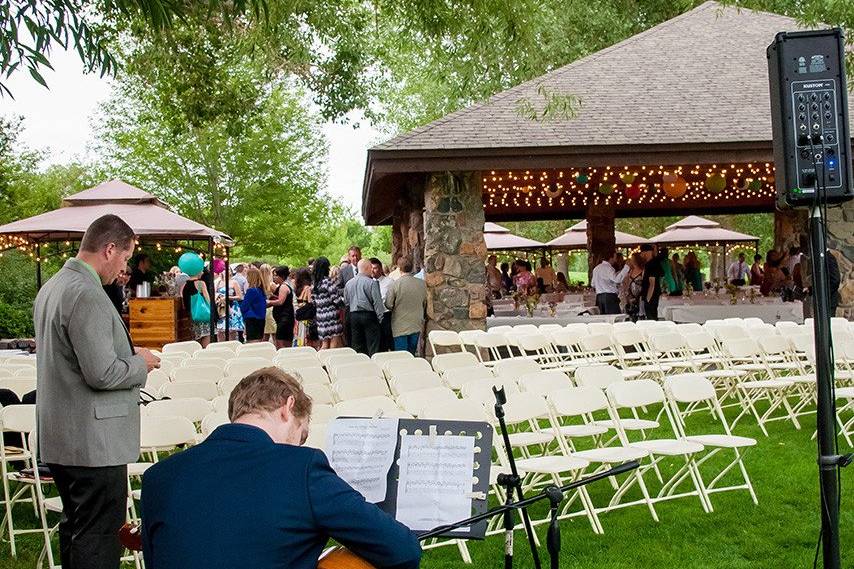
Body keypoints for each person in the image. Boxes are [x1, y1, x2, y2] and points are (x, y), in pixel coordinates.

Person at [140, 367, 421, 569]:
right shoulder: (304, 468)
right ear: (288, 407)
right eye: (301, 435)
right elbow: (402, 550)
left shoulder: (159, 477)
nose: (297, 446)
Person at [34, 214, 160, 569]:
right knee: (99, 537)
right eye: (124, 257)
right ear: (109, 249)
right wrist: (142, 363)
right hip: (92, 442)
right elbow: (101, 373)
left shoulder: (55, 286)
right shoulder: (85, 293)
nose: (124, 267)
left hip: (62, 435)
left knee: (76, 526)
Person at [384, 257, 428, 355]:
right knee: (412, 352)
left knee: (401, 354)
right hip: (416, 322)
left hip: (400, 324)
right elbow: (424, 302)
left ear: (399, 269)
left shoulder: (395, 284)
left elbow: (388, 304)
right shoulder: (422, 284)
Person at [344, 259, 385, 356]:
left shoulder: (349, 283)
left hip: (353, 315)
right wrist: (380, 318)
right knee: (373, 345)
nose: (372, 270)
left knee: (357, 345)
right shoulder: (372, 283)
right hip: (369, 315)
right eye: (371, 268)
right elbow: (377, 302)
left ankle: (360, 365)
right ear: (366, 268)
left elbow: (346, 302)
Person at [312, 257, 344, 349]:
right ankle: (330, 360)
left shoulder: (315, 284)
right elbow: (336, 299)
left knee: (324, 344)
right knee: (334, 341)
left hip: (320, 316)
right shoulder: (328, 282)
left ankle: (321, 361)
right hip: (331, 316)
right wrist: (343, 305)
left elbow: (313, 301)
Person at [182, 268, 212, 348]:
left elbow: (184, 302)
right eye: (201, 270)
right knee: (206, 335)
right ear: (197, 272)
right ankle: (204, 355)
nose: (202, 272)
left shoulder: (184, 285)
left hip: (192, 316)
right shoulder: (201, 283)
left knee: (196, 338)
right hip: (203, 315)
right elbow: (207, 299)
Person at [591, 251, 629, 315]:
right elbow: (617, 280)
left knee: (603, 319)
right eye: (615, 257)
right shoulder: (608, 268)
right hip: (609, 298)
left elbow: (593, 284)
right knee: (613, 318)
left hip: (599, 297)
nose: (615, 260)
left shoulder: (596, 268)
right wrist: (626, 268)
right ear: (610, 258)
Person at [214, 263, 244, 342]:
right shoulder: (218, 282)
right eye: (224, 270)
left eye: (228, 270)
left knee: (231, 331)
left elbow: (240, 297)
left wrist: (228, 297)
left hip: (232, 307)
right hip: (221, 308)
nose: (226, 271)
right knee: (220, 331)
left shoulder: (234, 282)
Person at [370, 258, 394, 352]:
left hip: (386, 314)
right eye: (371, 268)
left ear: (380, 269)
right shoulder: (369, 282)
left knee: (387, 339)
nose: (373, 270)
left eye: (375, 268)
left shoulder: (389, 282)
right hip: (373, 315)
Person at [268, 266, 295, 349]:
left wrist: (268, 302)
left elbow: (280, 301)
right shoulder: (280, 286)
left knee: (280, 342)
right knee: (285, 341)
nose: (274, 277)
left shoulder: (283, 287)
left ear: (282, 276)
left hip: (285, 318)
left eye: (276, 275)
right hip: (282, 318)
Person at [240, 267, 268, 342]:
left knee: (252, 341)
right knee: (259, 340)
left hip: (252, 319)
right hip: (261, 319)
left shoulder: (251, 291)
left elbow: (244, 307)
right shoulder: (261, 290)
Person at [292, 268, 317, 348]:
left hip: (299, 320)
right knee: (309, 342)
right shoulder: (308, 288)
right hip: (307, 320)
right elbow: (310, 302)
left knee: (300, 340)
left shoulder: (297, 289)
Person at [639, 244, 663, 320]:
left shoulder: (652, 264)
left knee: (651, 318)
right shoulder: (652, 263)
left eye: (642, 252)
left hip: (651, 296)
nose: (641, 255)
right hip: (651, 295)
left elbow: (652, 283)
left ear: (646, 252)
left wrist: (648, 299)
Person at [621, 252, 646, 322]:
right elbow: (626, 284)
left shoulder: (643, 271)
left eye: (632, 259)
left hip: (640, 296)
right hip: (631, 296)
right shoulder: (630, 272)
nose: (631, 261)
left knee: (640, 314)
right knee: (631, 314)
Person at [259, 263, 277, 341]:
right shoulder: (272, 284)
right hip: (271, 309)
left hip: (262, 309)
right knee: (274, 334)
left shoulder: (259, 284)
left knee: (264, 334)